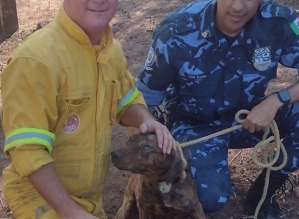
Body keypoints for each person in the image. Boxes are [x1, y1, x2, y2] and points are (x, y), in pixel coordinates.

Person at [1, 0, 177, 219]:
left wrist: (145, 118)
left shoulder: (111, 51)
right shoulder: (35, 61)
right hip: (42, 201)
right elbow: (28, 151)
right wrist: (70, 211)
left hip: (89, 202)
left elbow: (125, 100)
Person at [137, 0, 299, 218]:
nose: (238, 7)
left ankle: (261, 196)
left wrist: (277, 99)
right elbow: (144, 99)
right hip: (194, 125)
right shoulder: (177, 29)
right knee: (208, 198)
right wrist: (148, 156)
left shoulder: (279, 20)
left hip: (251, 115)